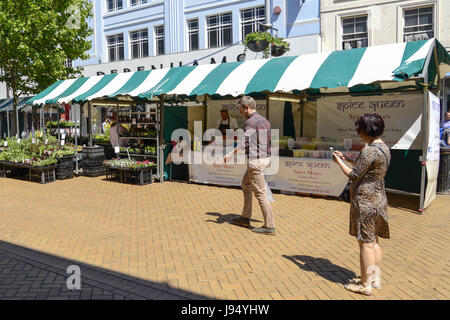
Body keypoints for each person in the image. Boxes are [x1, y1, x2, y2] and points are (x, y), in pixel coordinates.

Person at [332, 114, 391, 296]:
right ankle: (372, 277)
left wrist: (339, 161)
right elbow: (366, 169)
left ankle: (365, 285)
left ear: (366, 131)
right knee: (373, 241)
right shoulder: (383, 148)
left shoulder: (369, 150)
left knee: (365, 243)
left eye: (360, 130)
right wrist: (348, 158)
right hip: (378, 198)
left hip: (365, 200)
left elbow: (354, 175)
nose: (359, 134)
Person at [223, 96, 275, 235]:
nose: (241, 113)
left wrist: (230, 155)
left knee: (261, 193)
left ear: (246, 107)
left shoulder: (250, 122)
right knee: (246, 185)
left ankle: (269, 226)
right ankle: (245, 218)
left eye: (241, 110)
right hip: (264, 159)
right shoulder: (264, 120)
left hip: (255, 162)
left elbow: (243, 142)